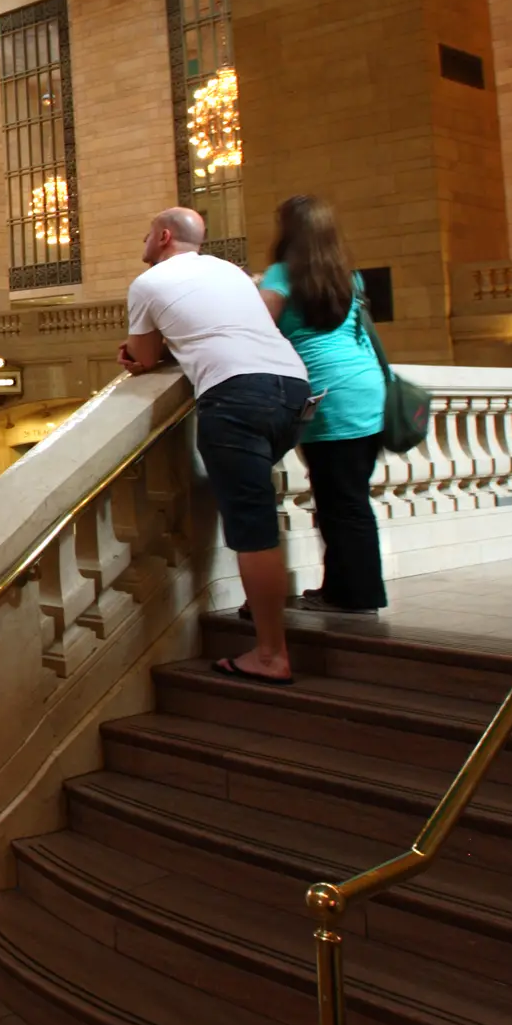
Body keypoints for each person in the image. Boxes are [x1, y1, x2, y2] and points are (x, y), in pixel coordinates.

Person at [120, 206, 312, 684]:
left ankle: (271, 653)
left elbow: (141, 357)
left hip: (236, 395)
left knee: (253, 529)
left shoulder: (149, 283)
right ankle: (260, 605)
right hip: (292, 390)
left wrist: (143, 354)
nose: (143, 242)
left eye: (146, 234)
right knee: (259, 514)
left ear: (163, 237)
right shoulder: (229, 270)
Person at [258, 195, 389, 614]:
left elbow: (255, 324)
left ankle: (356, 596)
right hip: (367, 389)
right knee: (347, 495)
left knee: (341, 502)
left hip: (329, 394)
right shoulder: (350, 278)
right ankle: (341, 586)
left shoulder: (281, 276)